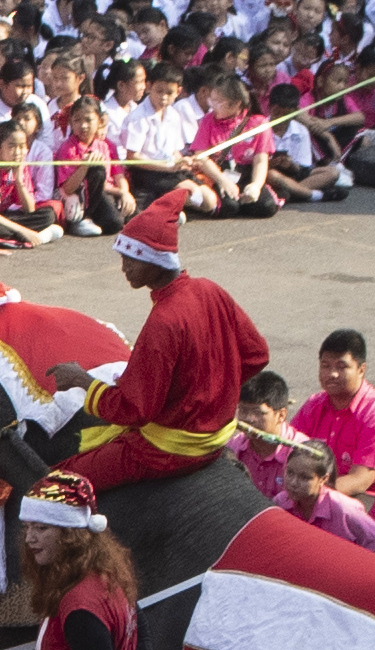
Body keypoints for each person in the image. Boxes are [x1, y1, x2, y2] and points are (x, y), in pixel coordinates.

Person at [53, 198, 262, 491]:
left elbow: (135, 411)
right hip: (216, 437)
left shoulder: (164, 320)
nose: (124, 268)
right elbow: (256, 355)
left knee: (59, 485)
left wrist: (82, 381)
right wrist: (212, 394)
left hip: (170, 450)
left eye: (131, 259)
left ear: (155, 260)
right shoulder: (210, 289)